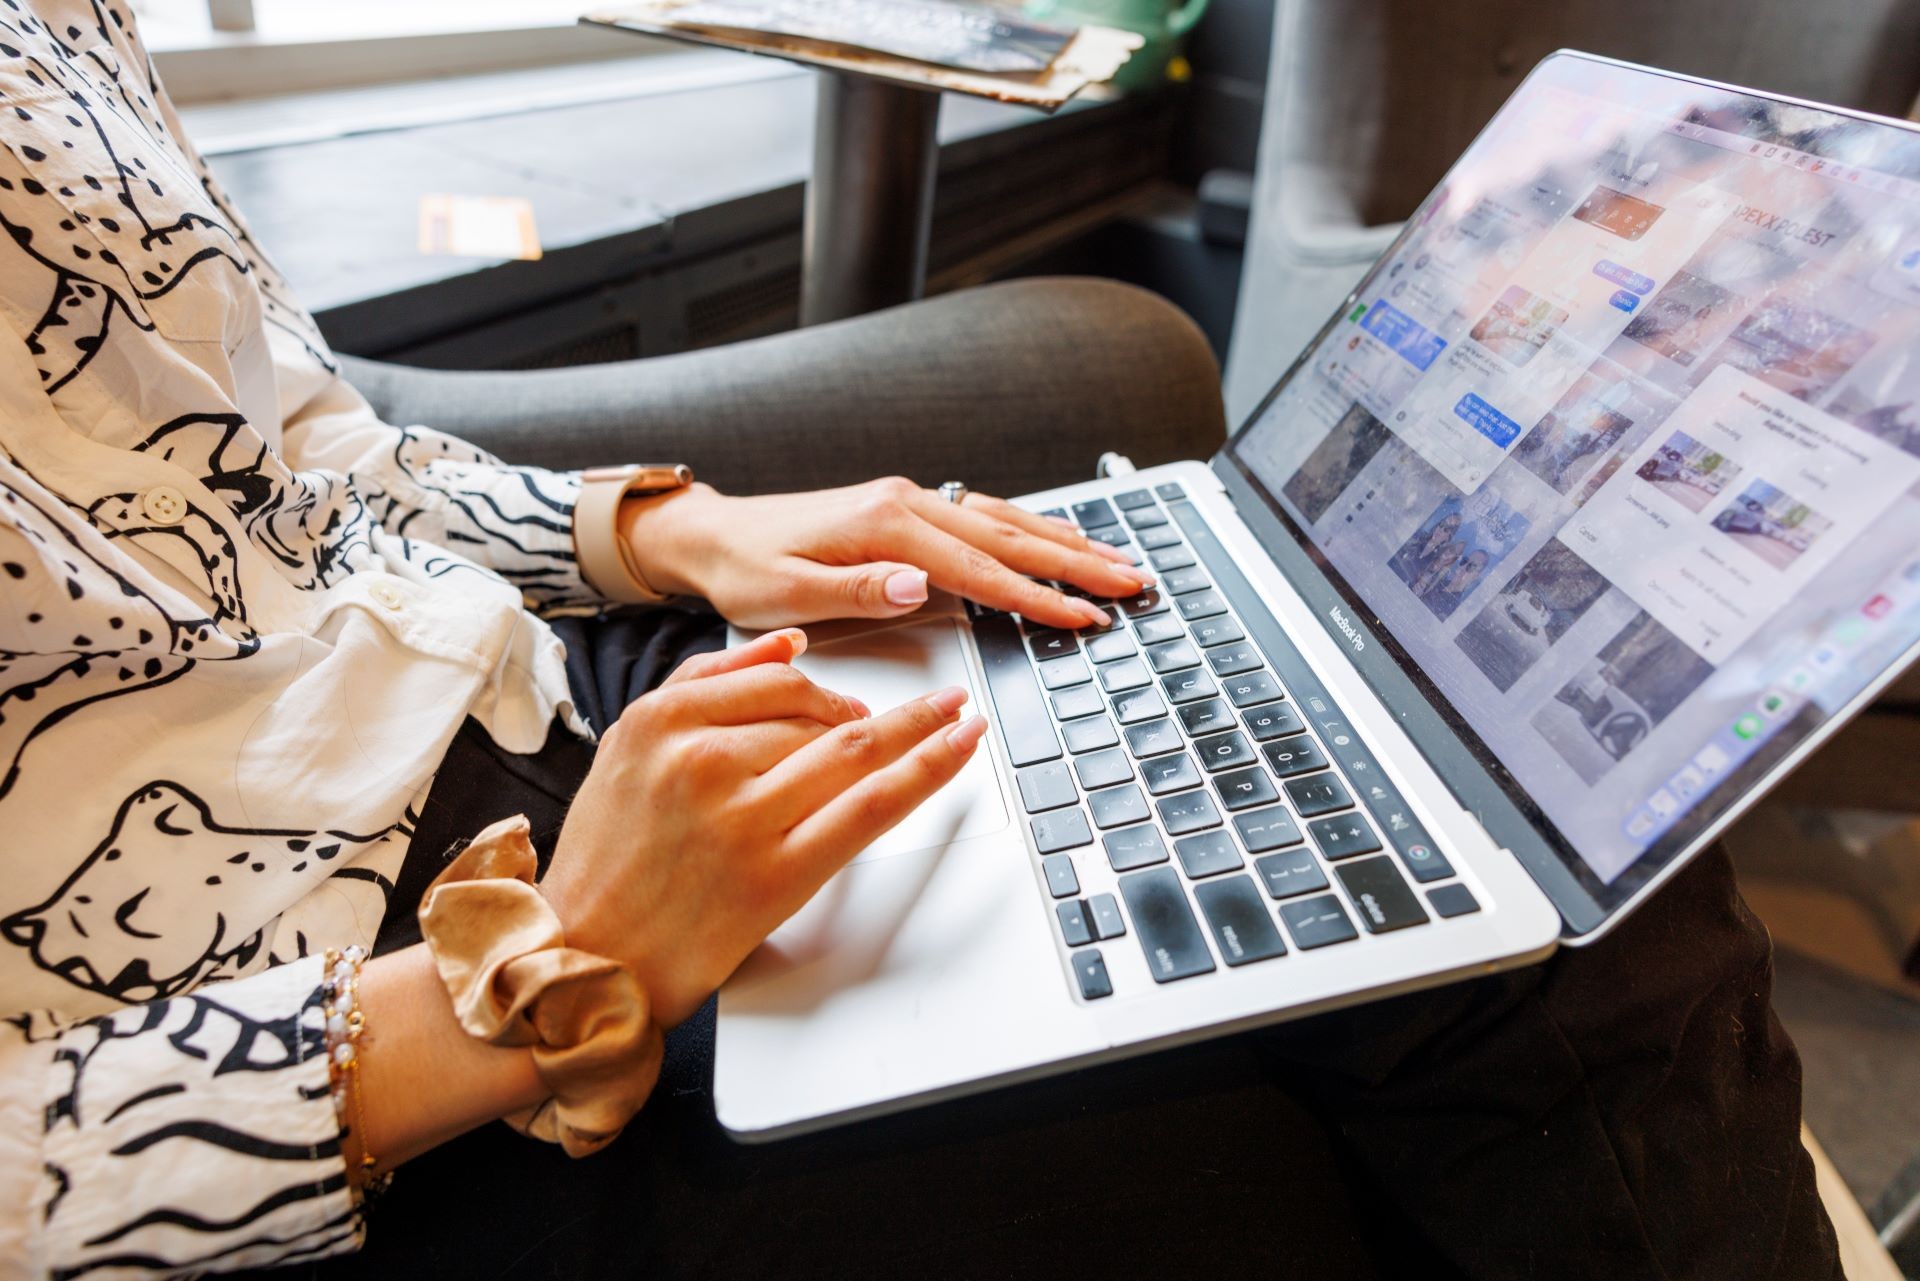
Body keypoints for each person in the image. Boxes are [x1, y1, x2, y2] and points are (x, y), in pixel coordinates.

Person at [0, 4, 1842, 1278]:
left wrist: (672, 533)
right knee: (1401, 1018)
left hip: (527, 683)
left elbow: (280, 443)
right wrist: (533, 980)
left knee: (1455, 801)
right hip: (348, 1044)